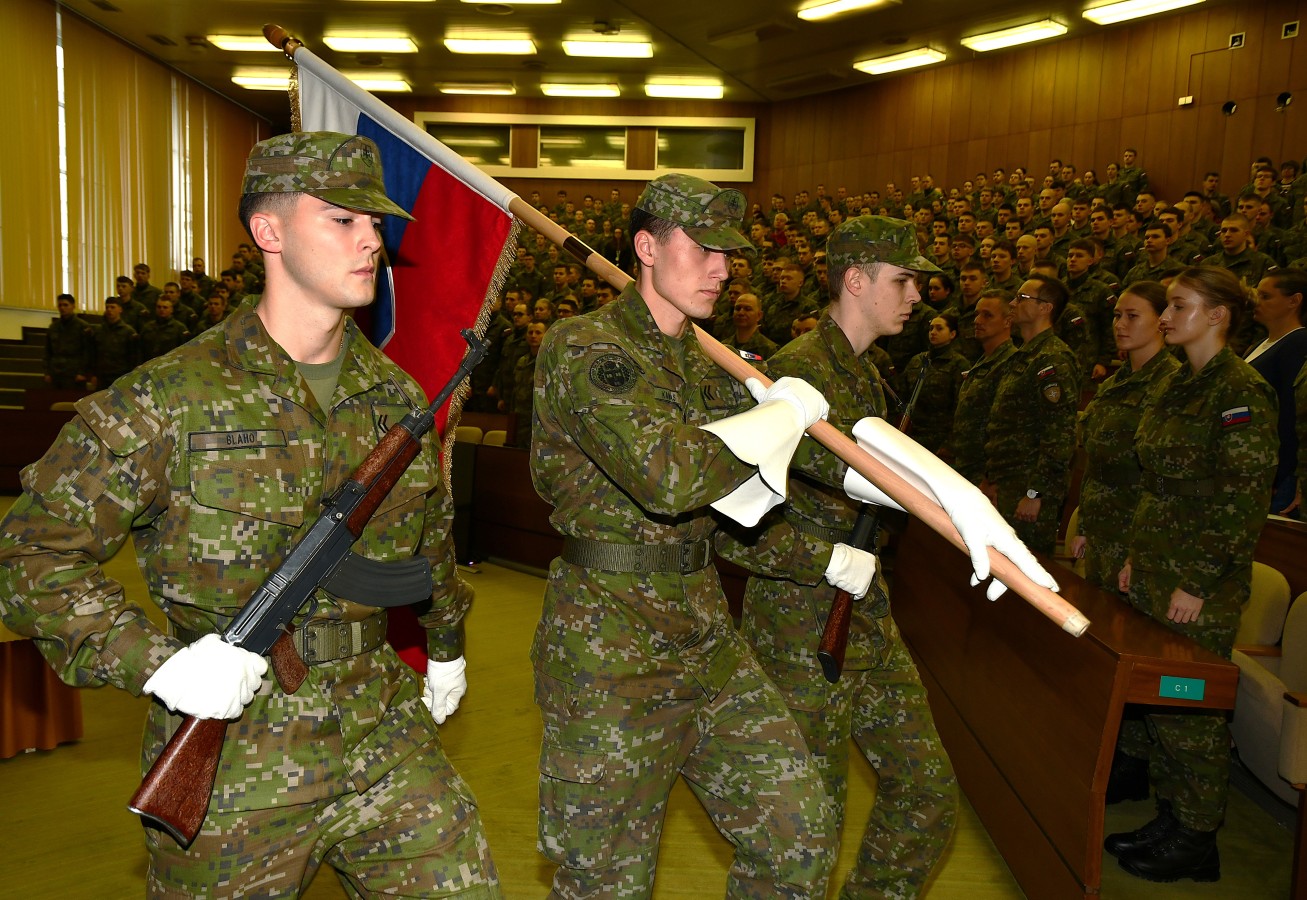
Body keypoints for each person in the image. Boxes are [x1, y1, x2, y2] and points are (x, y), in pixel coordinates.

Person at [0, 131, 501, 897]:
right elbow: (32, 553)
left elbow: (426, 545)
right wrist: (157, 662)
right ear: (269, 231)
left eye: (375, 222)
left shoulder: (396, 400)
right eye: (342, 219)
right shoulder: (170, 396)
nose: (371, 240)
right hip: (240, 752)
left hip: (383, 731)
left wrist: (446, 644)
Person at [718, 215, 1056, 900]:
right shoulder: (796, 375)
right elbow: (732, 518)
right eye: (903, 280)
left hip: (864, 611)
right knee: (804, 830)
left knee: (925, 792)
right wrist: (823, 561)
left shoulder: (865, 375)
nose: (916, 296)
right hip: (800, 623)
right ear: (856, 280)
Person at [529, 172, 838, 898]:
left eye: (729, 255)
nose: (722, 270)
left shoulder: (711, 364)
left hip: (706, 635)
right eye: (703, 250)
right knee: (608, 881)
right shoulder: (587, 348)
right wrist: (776, 418)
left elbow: (745, 504)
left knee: (800, 838)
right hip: (611, 646)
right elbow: (667, 479)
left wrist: (882, 508)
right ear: (646, 247)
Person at [1108, 266, 1278, 883]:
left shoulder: (1239, 391)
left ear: (1218, 315)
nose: (1166, 316)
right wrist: (1136, 556)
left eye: (1180, 305)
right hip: (1157, 566)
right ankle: (1172, 815)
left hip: (1198, 581)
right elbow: (1156, 484)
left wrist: (1198, 582)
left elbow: (1242, 500)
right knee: (1159, 704)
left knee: (1189, 707)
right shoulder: (1181, 382)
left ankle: (1198, 836)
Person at [1072, 282, 1181, 594]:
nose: (1120, 324)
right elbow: (1095, 462)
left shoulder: (1172, 384)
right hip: (1102, 532)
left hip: (1139, 537)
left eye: (1132, 316)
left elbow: (1166, 481)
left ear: (1161, 321)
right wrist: (1084, 526)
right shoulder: (1112, 385)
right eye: (1117, 315)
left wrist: (1140, 552)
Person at [980, 274, 1080, 555]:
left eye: (1021, 298)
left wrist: (1036, 493)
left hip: (1028, 491)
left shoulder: (1053, 358)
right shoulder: (1024, 355)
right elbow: (1005, 424)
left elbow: (1059, 435)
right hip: (1006, 483)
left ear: (1045, 308)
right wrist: (992, 478)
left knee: (1023, 568)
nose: (1013, 303)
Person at [1247, 268, 1307, 516]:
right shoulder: (1259, 344)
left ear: (1294, 301)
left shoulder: (1298, 342)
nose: (1256, 302)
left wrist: (1281, 472)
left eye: (1266, 296)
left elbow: (1291, 413)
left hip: (1278, 470)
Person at [944, 290, 1016, 484]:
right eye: (977, 314)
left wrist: (991, 478)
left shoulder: (1010, 363)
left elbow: (1007, 429)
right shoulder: (983, 360)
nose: (977, 320)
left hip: (986, 473)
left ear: (1008, 321)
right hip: (967, 465)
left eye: (987, 315)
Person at [899, 310, 970, 454]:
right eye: (931, 328)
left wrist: (949, 444)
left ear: (952, 334)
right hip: (911, 433)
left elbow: (959, 407)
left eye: (939, 328)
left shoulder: (959, 364)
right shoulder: (917, 360)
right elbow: (902, 394)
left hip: (939, 438)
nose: (933, 332)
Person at [42, 292, 93, 388]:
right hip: (56, 372)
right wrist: (47, 372)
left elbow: (87, 352)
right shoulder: (53, 327)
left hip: (74, 373)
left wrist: (82, 372)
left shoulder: (83, 326)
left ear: (73, 306)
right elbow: (47, 352)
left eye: (66, 305)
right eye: (60, 305)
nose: (62, 308)